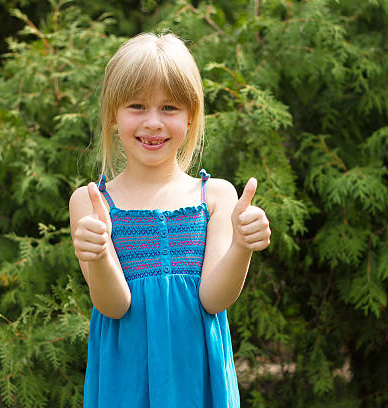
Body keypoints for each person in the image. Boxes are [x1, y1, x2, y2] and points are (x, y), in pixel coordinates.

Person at [69, 32, 271, 408]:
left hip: (197, 380)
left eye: (169, 108)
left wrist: (243, 247)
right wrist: (96, 255)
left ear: (191, 114)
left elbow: (214, 299)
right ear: (114, 112)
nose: (153, 122)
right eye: (137, 106)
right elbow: (114, 305)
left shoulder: (217, 197)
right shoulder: (92, 203)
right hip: (125, 384)